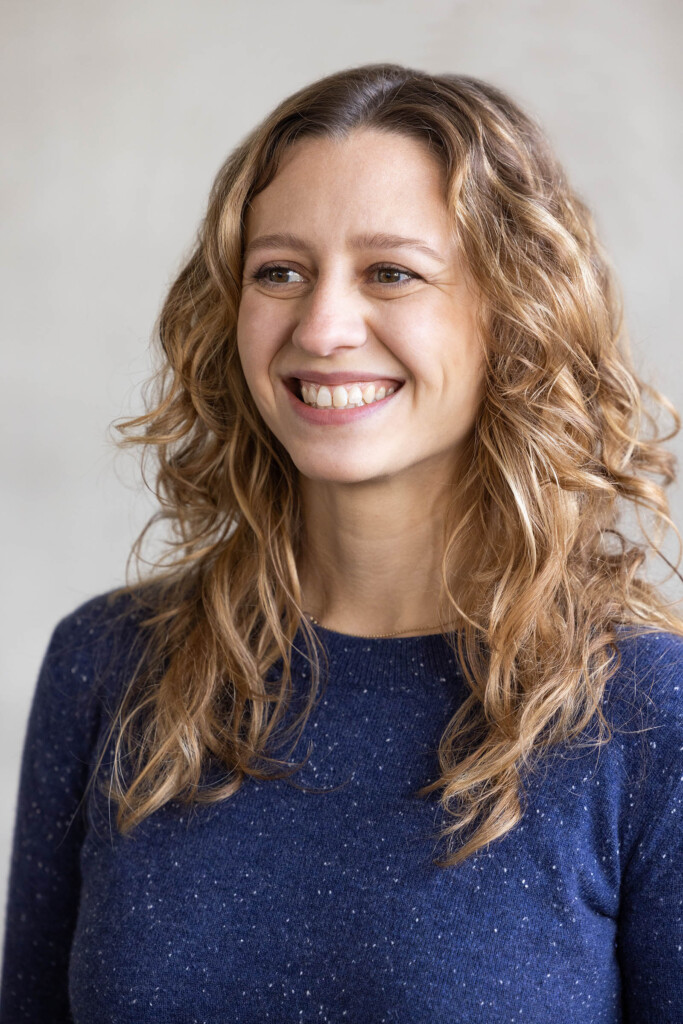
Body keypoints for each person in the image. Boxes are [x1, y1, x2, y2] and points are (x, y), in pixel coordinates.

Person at [1, 62, 681, 1023]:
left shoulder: (647, 716)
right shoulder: (109, 665)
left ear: (513, 314)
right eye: (279, 271)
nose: (321, 328)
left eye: (390, 273)